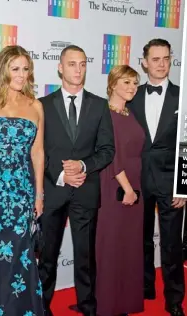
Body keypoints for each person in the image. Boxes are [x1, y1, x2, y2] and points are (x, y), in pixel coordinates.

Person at [38, 45, 115, 316]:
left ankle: (87, 306)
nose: (78, 69)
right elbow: (37, 150)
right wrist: (60, 174)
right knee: (47, 258)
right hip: (53, 190)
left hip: (85, 190)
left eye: (82, 64)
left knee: (85, 257)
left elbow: (107, 149)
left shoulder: (99, 104)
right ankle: (42, 306)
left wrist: (83, 166)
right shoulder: (42, 105)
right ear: (60, 67)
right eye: (72, 64)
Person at [0, 45, 45, 316]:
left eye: (26, 69)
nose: (22, 75)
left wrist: (38, 195)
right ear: (3, 70)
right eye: (16, 69)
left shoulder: (35, 105)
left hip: (22, 192)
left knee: (20, 253)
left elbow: (38, 152)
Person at [127, 38, 185, 316]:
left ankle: (174, 300)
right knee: (140, 240)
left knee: (172, 244)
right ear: (144, 62)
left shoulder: (182, 96)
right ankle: (144, 287)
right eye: (156, 59)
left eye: (166, 59)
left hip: (171, 181)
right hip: (138, 181)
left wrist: (183, 187)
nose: (162, 65)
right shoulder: (132, 95)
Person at [95, 65, 144, 316]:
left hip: (135, 186)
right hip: (116, 186)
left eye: (135, 83)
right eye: (126, 83)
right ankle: (107, 304)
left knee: (128, 247)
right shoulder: (106, 114)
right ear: (113, 83)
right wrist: (127, 189)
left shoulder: (129, 113)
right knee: (111, 245)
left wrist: (135, 189)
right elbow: (111, 155)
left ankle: (124, 302)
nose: (132, 88)